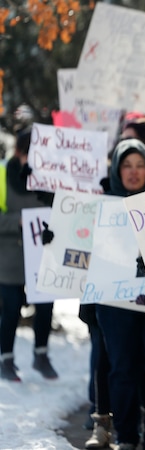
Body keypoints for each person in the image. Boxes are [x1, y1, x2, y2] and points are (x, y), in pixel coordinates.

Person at [95, 139, 145, 450]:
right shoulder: (101, 205)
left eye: (140, 165)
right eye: (127, 165)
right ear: (116, 169)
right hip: (114, 301)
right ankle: (126, 436)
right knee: (123, 368)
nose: (134, 172)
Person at [0, 128, 58, 382]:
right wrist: (19, 222)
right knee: (11, 309)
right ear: (18, 153)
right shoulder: (3, 176)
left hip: (41, 257)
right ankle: (6, 359)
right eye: (29, 155)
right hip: (10, 260)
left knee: (46, 306)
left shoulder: (50, 179)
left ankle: (41, 355)